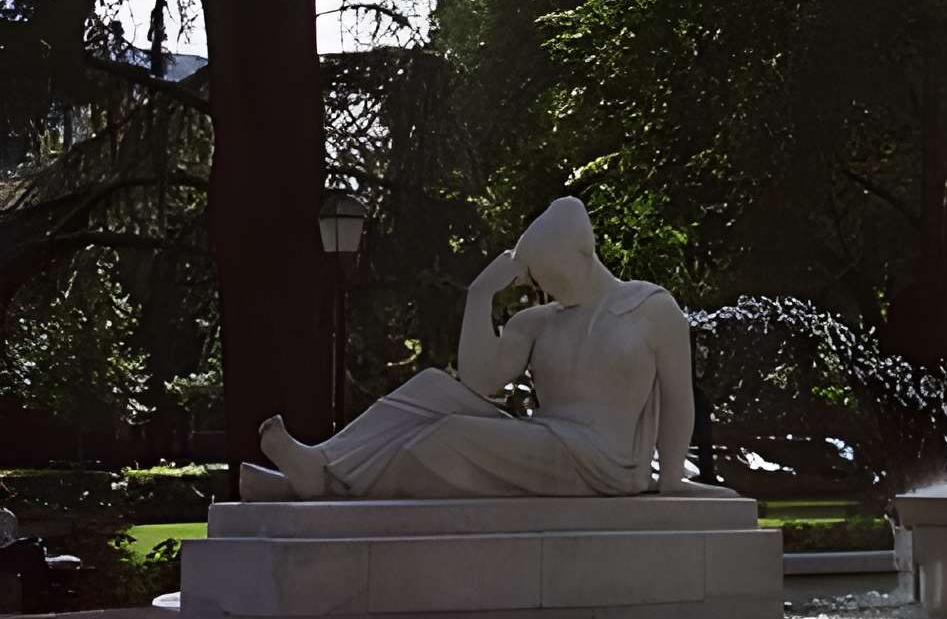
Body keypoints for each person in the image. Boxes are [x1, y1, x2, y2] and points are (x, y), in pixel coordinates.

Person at [244, 197, 729, 500]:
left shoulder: (650, 306)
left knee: (451, 435)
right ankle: (321, 465)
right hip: (548, 441)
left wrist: (670, 478)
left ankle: (327, 484)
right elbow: (478, 382)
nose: (540, 282)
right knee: (434, 388)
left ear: (581, 253)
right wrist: (479, 295)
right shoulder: (538, 321)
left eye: (545, 269)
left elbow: (678, 399)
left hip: (606, 462)